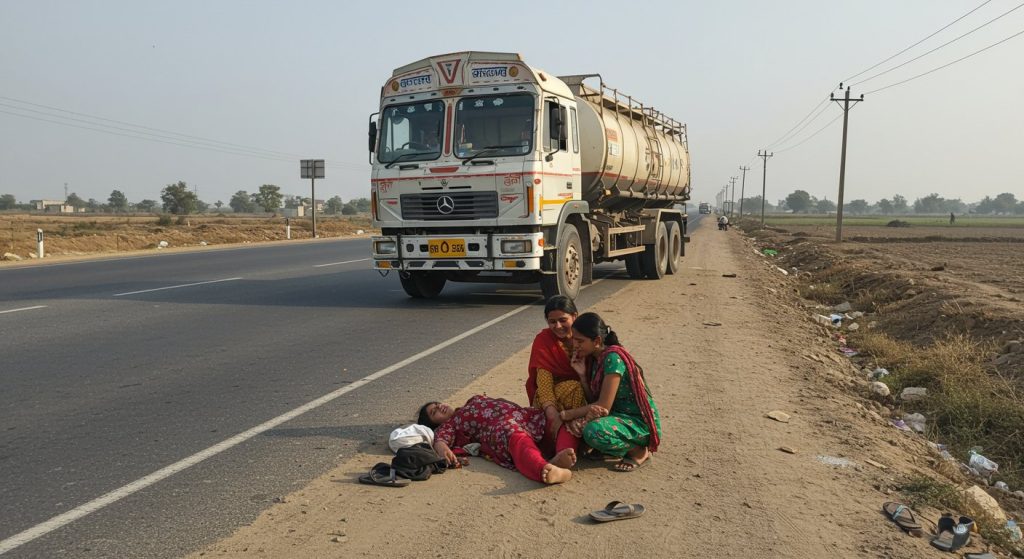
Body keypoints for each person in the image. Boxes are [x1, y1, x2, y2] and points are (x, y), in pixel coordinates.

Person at [563, 312, 661, 472]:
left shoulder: (613, 358)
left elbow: (603, 406)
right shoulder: (596, 358)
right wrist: (582, 376)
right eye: (574, 339)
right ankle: (612, 448)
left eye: (580, 341)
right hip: (616, 417)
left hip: (637, 423)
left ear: (597, 341)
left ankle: (638, 451)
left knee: (593, 432)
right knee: (578, 429)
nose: (575, 345)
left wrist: (568, 414)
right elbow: (594, 401)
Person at [417, 395, 576, 484]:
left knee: (562, 424)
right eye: (434, 412)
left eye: (437, 404)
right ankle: (544, 468)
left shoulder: (472, 400)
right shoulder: (449, 425)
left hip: (527, 417)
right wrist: (441, 447)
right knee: (519, 440)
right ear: (435, 424)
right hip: (502, 428)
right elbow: (440, 440)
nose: (439, 407)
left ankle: (560, 455)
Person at [527, 296, 587, 452]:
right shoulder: (543, 340)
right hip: (548, 399)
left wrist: (583, 378)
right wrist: (552, 413)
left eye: (563, 320)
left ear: (574, 316)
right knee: (574, 388)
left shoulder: (585, 338)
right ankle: (569, 441)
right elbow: (544, 383)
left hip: (587, 394)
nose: (558, 326)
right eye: (552, 322)